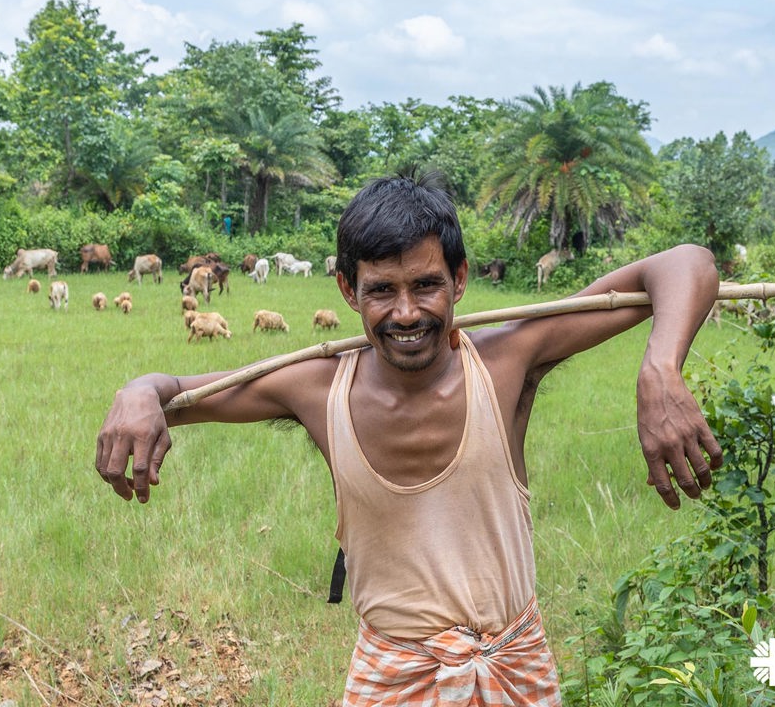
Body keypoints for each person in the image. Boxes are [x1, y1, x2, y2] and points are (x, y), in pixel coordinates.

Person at [95, 171, 723, 706]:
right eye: (381, 291)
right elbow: (173, 390)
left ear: (460, 279)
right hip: (391, 680)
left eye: (426, 285)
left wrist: (660, 370)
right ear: (348, 290)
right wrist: (137, 391)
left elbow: (682, 262)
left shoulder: (507, 360)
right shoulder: (314, 388)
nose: (405, 314)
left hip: (512, 670)